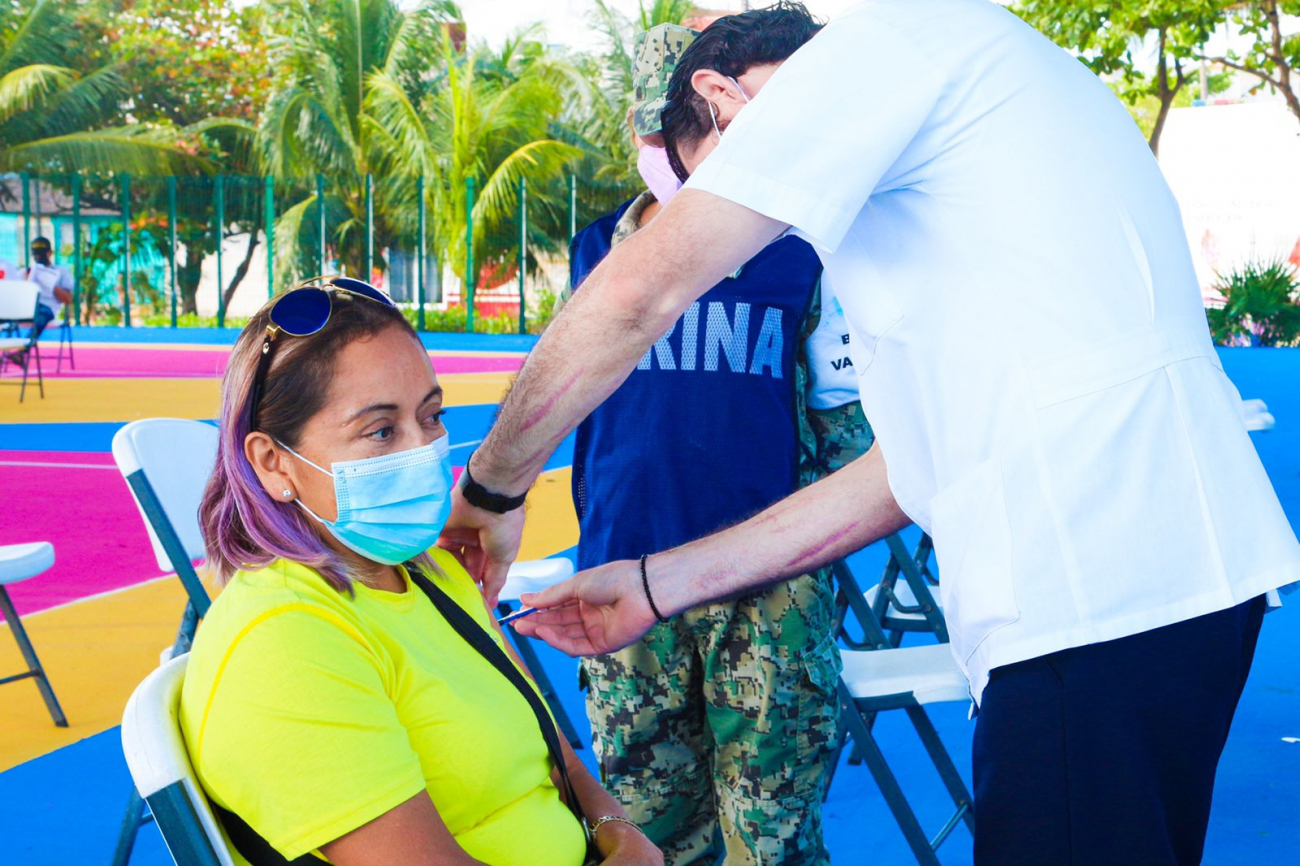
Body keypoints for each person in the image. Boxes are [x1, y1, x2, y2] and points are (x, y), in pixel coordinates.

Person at [442, 1, 1300, 863]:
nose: (732, 242)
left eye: (704, 183)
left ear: (721, 96)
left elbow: (640, 293)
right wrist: (656, 584)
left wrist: (491, 487)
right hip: (1163, 587)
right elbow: (902, 472)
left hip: (1094, 588)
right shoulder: (950, 154)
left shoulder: (869, 55)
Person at [180, 277, 662, 866]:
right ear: (273, 462)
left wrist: (617, 831)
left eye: (430, 417)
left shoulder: (431, 574)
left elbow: (543, 745)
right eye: (381, 431)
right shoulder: (285, 641)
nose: (423, 450)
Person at [566, 12, 871, 864]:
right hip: (623, 578)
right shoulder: (600, 248)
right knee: (645, 829)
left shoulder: (804, 255)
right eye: (658, 130)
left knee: (769, 839)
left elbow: (844, 435)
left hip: (766, 596)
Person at [23, 236, 73, 337]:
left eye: (41, 254)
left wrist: (49, 283)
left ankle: (27, 345)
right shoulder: (28, 271)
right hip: (28, 307)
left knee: (41, 313)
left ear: (50, 253)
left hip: (49, 309)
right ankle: (9, 346)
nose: (38, 257)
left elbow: (68, 299)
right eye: (36, 254)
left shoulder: (61, 271)